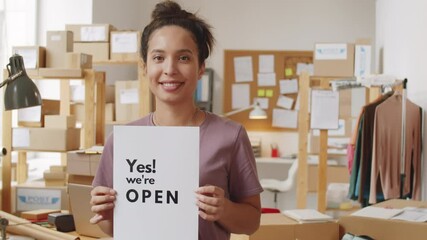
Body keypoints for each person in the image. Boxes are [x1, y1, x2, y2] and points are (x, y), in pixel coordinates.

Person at [89, 1, 263, 239]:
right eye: (158, 57)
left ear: (201, 68)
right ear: (144, 67)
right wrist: (105, 214)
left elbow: (251, 222)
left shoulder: (230, 136)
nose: (170, 69)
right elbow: (113, 227)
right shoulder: (121, 141)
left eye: (183, 58)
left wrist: (225, 209)